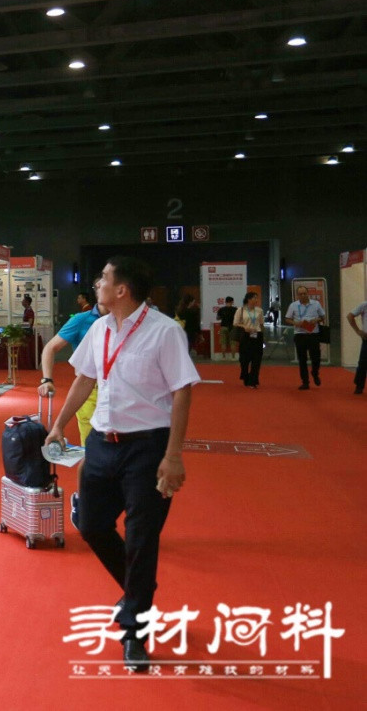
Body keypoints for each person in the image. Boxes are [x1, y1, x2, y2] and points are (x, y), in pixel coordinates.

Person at [44, 256, 199, 672]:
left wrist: (173, 455)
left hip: (148, 447)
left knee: (141, 538)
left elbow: (182, 392)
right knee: (91, 523)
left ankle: (135, 632)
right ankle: (137, 589)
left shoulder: (164, 331)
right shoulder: (98, 328)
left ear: (122, 290)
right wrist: (59, 424)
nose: (97, 284)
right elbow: (85, 379)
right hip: (101, 442)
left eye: (103, 279)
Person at [38, 278, 107, 530]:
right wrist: (47, 378)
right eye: (98, 285)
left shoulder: (124, 320)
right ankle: (83, 500)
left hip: (118, 394)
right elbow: (50, 348)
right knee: (94, 451)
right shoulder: (81, 320)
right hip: (88, 393)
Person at [285, 286, 327, 389]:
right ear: (297, 295)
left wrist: (316, 320)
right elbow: (287, 319)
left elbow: (323, 316)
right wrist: (296, 323)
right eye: (300, 294)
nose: (303, 295)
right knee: (302, 359)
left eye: (304, 293)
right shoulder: (293, 305)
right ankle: (305, 382)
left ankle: (315, 373)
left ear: (308, 293)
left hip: (313, 334)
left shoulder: (316, 304)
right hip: (300, 334)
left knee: (316, 358)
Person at [234, 291, 264, 388]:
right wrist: (244, 327)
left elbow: (261, 324)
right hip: (246, 336)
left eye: (257, 298)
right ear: (248, 299)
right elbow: (235, 323)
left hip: (257, 335)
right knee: (244, 359)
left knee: (257, 359)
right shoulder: (241, 310)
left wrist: (262, 335)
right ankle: (245, 376)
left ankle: (253, 380)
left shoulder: (259, 310)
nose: (256, 300)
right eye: (254, 298)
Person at [348, 299, 367, 395]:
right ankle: (359, 386)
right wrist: (358, 331)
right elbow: (350, 316)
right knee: (363, 363)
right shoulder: (364, 305)